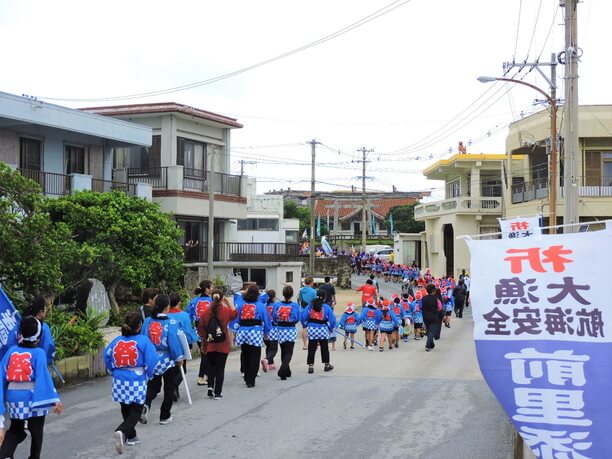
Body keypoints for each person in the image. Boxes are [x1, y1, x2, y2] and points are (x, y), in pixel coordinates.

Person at [0, 316, 63, 459]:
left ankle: (4, 455)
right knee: (36, 432)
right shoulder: (39, 353)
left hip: (13, 397)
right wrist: (55, 400)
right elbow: (43, 378)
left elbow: (1, 375)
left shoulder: (11, 351)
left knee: (16, 430)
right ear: (38, 336)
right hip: (32, 396)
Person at [104, 311, 159, 454]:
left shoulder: (116, 341)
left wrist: (111, 370)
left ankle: (131, 436)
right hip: (136, 377)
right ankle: (122, 431)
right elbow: (152, 360)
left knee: (125, 406)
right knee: (136, 409)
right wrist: (150, 373)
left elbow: (107, 355)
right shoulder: (143, 340)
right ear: (140, 325)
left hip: (118, 378)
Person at [141, 294, 185, 425]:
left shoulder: (148, 321)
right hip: (167, 360)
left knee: (153, 387)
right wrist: (179, 357)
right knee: (169, 388)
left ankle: (146, 404)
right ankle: (165, 415)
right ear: (167, 308)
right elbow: (173, 343)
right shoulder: (171, 322)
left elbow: (143, 338)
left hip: (151, 358)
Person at [197, 290, 237, 399]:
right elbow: (235, 314)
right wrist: (229, 302)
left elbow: (200, 328)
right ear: (222, 298)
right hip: (223, 344)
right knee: (220, 368)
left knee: (211, 366)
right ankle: (218, 392)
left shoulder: (205, 312)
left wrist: (204, 342)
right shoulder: (225, 311)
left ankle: (210, 387)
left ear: (211, 298)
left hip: (210, 344)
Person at [234, 285, 271, 388]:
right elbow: (266, 320)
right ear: (257, 295)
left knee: (245, 354)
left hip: (242, 331)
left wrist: (235, 330)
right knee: (255, 356)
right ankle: (251, 380)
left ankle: (246, 376)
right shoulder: (260, 306)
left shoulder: (241, 305)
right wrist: (266, 332)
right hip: (255, 332)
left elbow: (236, 319)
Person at [168, 292, 198, 401]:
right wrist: (194, 339)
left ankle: (172, 388)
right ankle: (172, 387)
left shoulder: (165, 315)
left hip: (168, 346)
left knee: (171, 369)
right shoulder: (183, 315)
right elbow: (187, 331)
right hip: (181, 345)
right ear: (179, 302)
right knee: (182, 370)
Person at [301, 289, 336, 374]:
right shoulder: (327, 307)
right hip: (323, 329)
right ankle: (327, 365)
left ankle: (311, 366)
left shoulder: (310, 306)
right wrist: (331, 328)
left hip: (312, 329)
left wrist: (305, 325)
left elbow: (303, 316)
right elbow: (333, 320)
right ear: (324, 298)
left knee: (311, 347)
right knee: (324, 347)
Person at [272, 286, 301, 380]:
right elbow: (297, 318)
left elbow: (274, 316)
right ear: (292, 294)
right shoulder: (295, 305)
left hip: (279, 329)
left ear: (283, 294)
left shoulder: (277, 304)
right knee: (289, 352)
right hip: (290, 329)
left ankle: (286, 372)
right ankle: (282, 370)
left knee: (283, 350)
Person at [187, 280, 212, 386]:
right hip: (210, 330)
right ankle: (202, 376)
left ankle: (205, 375)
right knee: (207, 354)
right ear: (207, 289)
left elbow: (188, 316)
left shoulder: (193, 301)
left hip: (197, 330)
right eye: (211, 287)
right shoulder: (212, 301)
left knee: (205, 353)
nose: (212, 289)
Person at [297, 277, 317, 350]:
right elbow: (315, 302)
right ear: (311, 282)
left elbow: (299, 300)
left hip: (302, 311)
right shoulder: (313, 291)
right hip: (311, 311)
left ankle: (305, 345)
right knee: (314, 327)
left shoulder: (301, 291)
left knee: (304, 328)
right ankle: (314, 344)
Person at [421, 284, 443, 352]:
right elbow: (440, 308)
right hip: (433, 316)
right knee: (431, 331)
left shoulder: (423, 298)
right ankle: (428, 345)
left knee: (428, 331)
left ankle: (432, 344)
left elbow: (420, 307)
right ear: (433, 291)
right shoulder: (436, 299)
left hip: (425, 316)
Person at [261, 289, 279, 373]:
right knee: (274, 349)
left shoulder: (263, 306)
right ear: (274, 297)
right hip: (273, 329)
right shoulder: (276, 305)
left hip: (264, 329)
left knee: (268, 346)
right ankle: (266, 359)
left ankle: (270, 364)